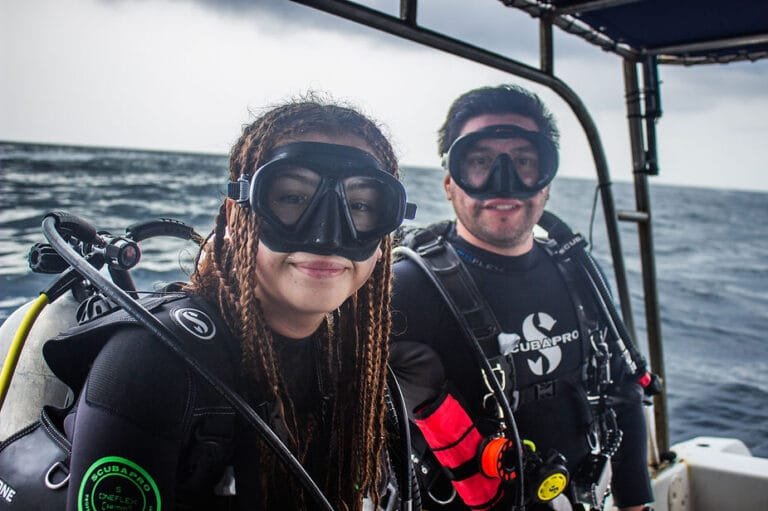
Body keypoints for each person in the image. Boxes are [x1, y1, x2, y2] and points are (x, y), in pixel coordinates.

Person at [59, 97, 415, 510]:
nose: (326, 236)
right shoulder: (148, 363)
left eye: (360, 206)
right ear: (237, 214)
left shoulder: (353, 363)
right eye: (293, 198)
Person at [390, 85, 653, 511]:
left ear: (545, 183)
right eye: (480, 163)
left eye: (524, 162)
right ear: (449, 183)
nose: (504, 182)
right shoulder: (408, 289)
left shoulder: (579, 271)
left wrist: (636, 502)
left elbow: (622, 389)